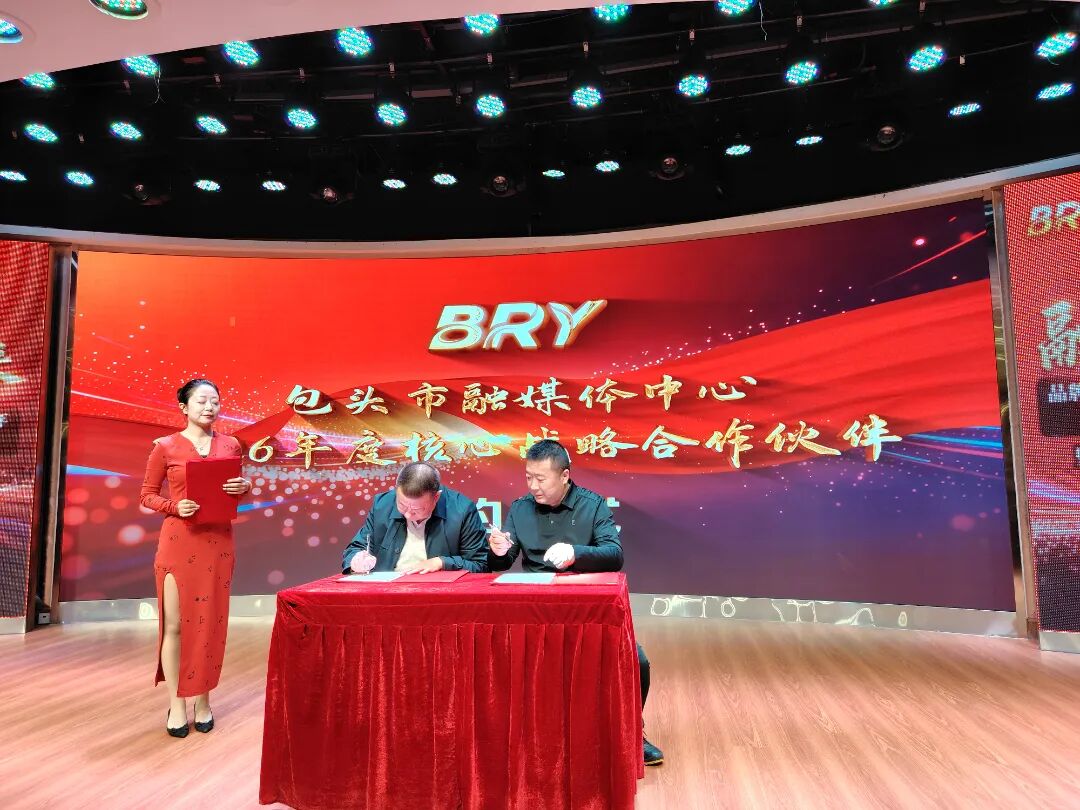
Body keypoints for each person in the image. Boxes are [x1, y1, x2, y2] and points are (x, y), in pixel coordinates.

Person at [487, 439, 665, 766]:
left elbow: (614, 554)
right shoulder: (521, 508)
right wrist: (498, 551)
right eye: (528, 477)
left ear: (565, 475)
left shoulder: (592, 506)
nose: (533, 486)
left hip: (585, 609)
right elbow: (503, 561)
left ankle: (632, 734)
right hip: (535, 610)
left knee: (636, 660)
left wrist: (576, 554)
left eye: (541, 479)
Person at [139, 378, 251, 738]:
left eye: (215, 401)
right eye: (201, 401)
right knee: (174, 625)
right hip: (178, 541)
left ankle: (203, 701)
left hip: (218, 543)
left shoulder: (231, 445)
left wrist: (244, 488)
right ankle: (176, 703)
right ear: (184, 407)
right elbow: (147, 495)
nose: (209, 407)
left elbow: (234, 491)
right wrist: (175, 506)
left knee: (209, 625)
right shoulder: (165, 447)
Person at [342, 462, 488, 575]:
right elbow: (356, 548)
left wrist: (442, 562)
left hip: (437, 592)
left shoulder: (462, 509)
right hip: (387, 589)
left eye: (417, 509)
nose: (407, 515)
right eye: (402, 505)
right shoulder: (382, 504)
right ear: (396, 490)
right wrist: (355, 561)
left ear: (436, 497)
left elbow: (480, 564)